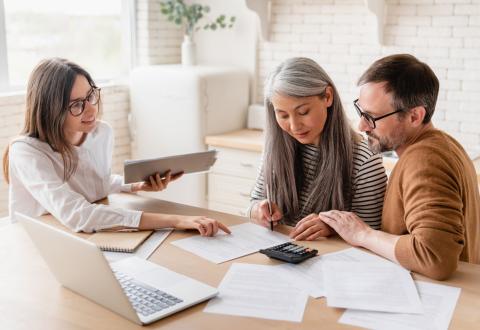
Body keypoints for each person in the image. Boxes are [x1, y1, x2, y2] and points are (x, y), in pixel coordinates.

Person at [3, 58, 230, 236]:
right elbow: (77, 214)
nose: (91, 109)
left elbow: (93, 185)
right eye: (77, 105)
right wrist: (175, 220)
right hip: (35, 241)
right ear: (50, 110)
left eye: (91, 95)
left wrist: (135, 185)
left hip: (80, 236)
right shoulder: (26, 152)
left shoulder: (101, 133)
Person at [319, 54, 480, 280]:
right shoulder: (446, 145)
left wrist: (363, 234)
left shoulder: (424, 161)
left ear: (414, 116)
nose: (362, 125)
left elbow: (435, 258)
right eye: (360, 112)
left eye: (371, 117)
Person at [248, 57, 387, 240]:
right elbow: (253, 203)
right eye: (282, 115)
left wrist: (333, 227)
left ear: (327, 97)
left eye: (303, 112)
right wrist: (258, 211)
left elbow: (372, 234)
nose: (294, 126)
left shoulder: (364, 160)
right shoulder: (276, 148)